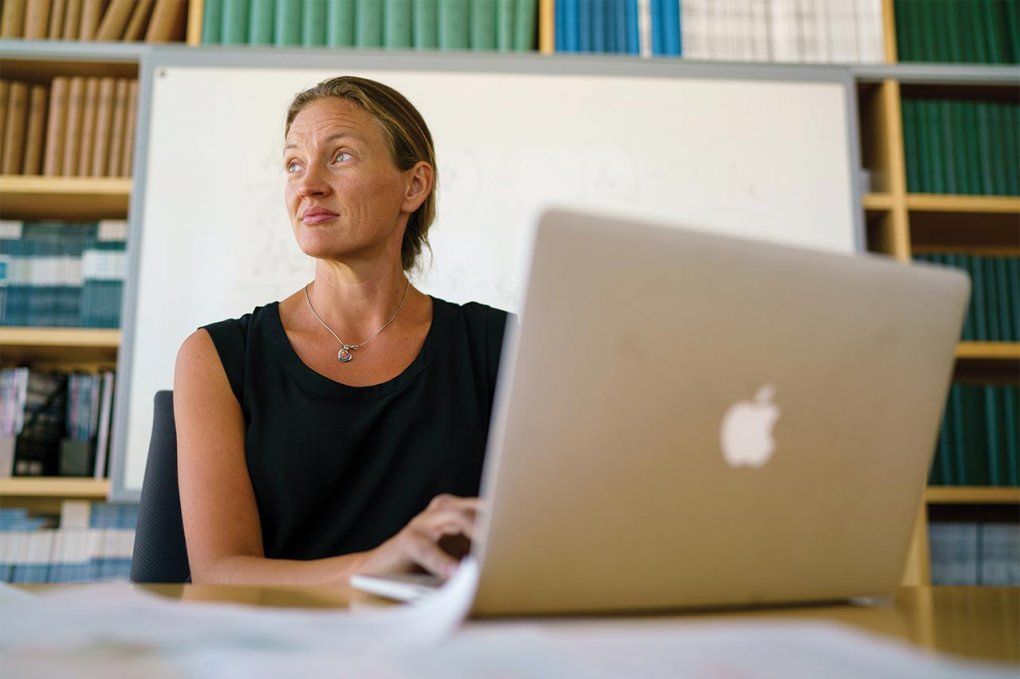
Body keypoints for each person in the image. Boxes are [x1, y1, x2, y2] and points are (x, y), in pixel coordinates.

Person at [173, 76, 510, 586]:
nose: (308, 184)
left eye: (341, 156)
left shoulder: (498, 345)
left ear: (414, 185)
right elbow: (220, 575)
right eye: (293, 164)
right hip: (279, 656)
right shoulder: (217, 356)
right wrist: (375, 567)